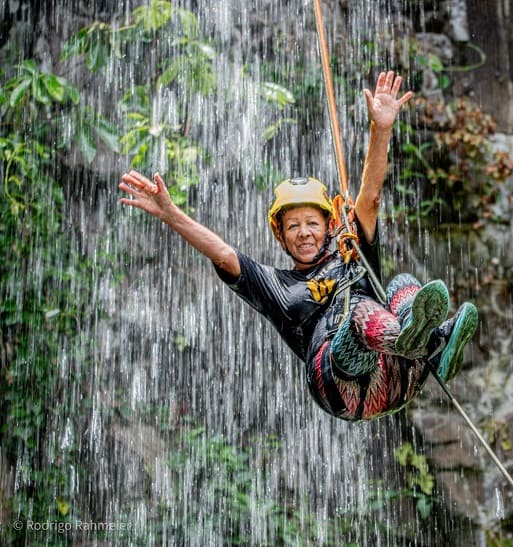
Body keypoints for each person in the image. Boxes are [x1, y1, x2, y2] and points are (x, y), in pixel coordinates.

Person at [118, 70, 478, 421]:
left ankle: (434, 347)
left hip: (400, 378)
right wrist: (169, 213)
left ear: (330, 226)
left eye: (312, 223)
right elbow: (224, 255)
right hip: (341, 386)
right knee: (359, 315)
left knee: (402, 285)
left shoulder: (353, 254)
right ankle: (413, 339)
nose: (303, 233)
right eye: (293, 226)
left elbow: (368, 200)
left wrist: (380, 129)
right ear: (281, 235)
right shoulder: (276, 286)